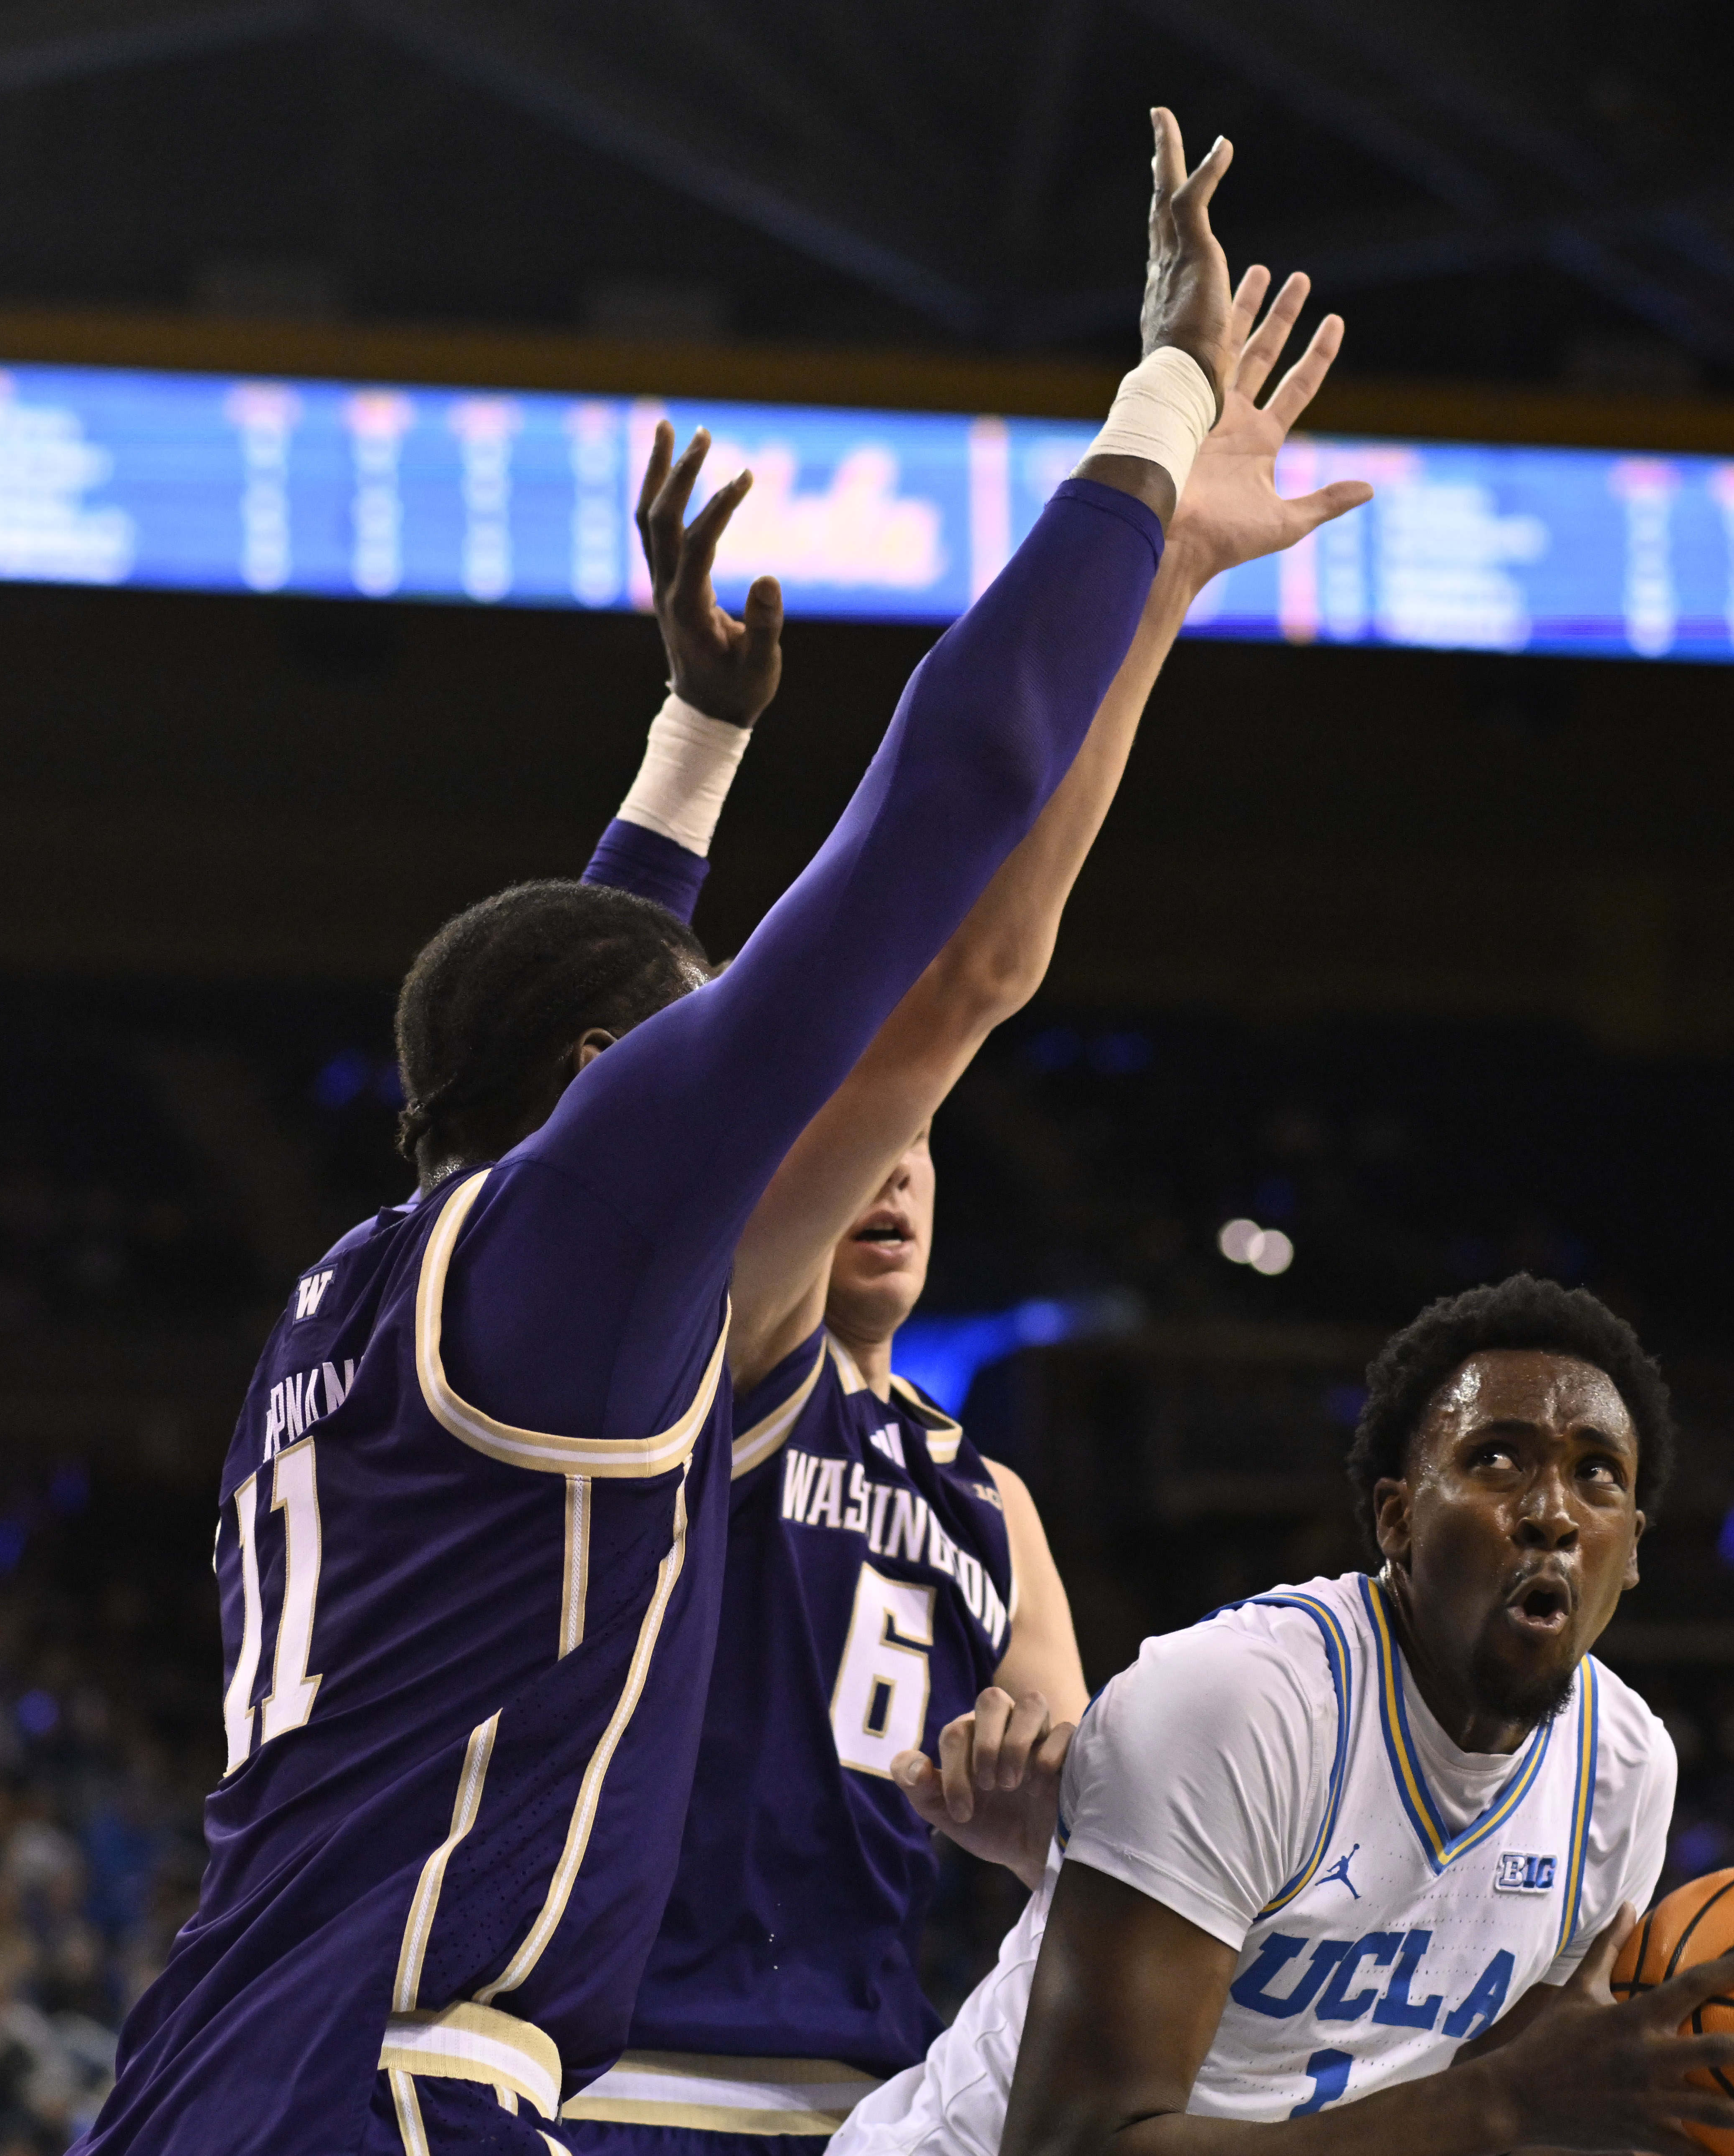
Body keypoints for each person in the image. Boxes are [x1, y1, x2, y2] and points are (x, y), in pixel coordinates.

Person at [79, 108, 1258, 2156]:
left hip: (200, 2076)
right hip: (412, 2087)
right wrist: (1153, 418)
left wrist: (696, 744)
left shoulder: (370, 1298)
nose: (775, 1108)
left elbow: (570, 1006)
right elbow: (952, 816)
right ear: (603, 1088)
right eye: (697, 1058)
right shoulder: (591, 1254)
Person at [564, 272, 1370, 2156]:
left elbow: (1096, 1838)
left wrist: (1041, 1811)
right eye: (868, 1142)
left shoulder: (982, 1497)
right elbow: (943, 979)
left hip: (876, 2090)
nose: (900, 1164)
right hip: (612, 2068)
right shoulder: (706, 1346)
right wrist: (1150, 568)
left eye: (924, 1149)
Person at [832, 1276, 1734, 2156]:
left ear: (1635, 1547)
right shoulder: (1237, 1701)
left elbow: (1485, 2119)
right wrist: (1507, 2103)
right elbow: (1070, 2146)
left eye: (1595, 1473)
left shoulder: (1623, 1768)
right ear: (1395, 1519)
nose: (1552, 1511)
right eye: (1496, 1458)